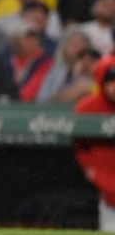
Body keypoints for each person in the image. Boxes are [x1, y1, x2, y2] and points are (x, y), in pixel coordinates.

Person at [75, 56, 115, 233]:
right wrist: (98, 176)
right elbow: (81, 149)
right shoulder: (88, 108)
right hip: (107, 196)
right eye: (111, 82)